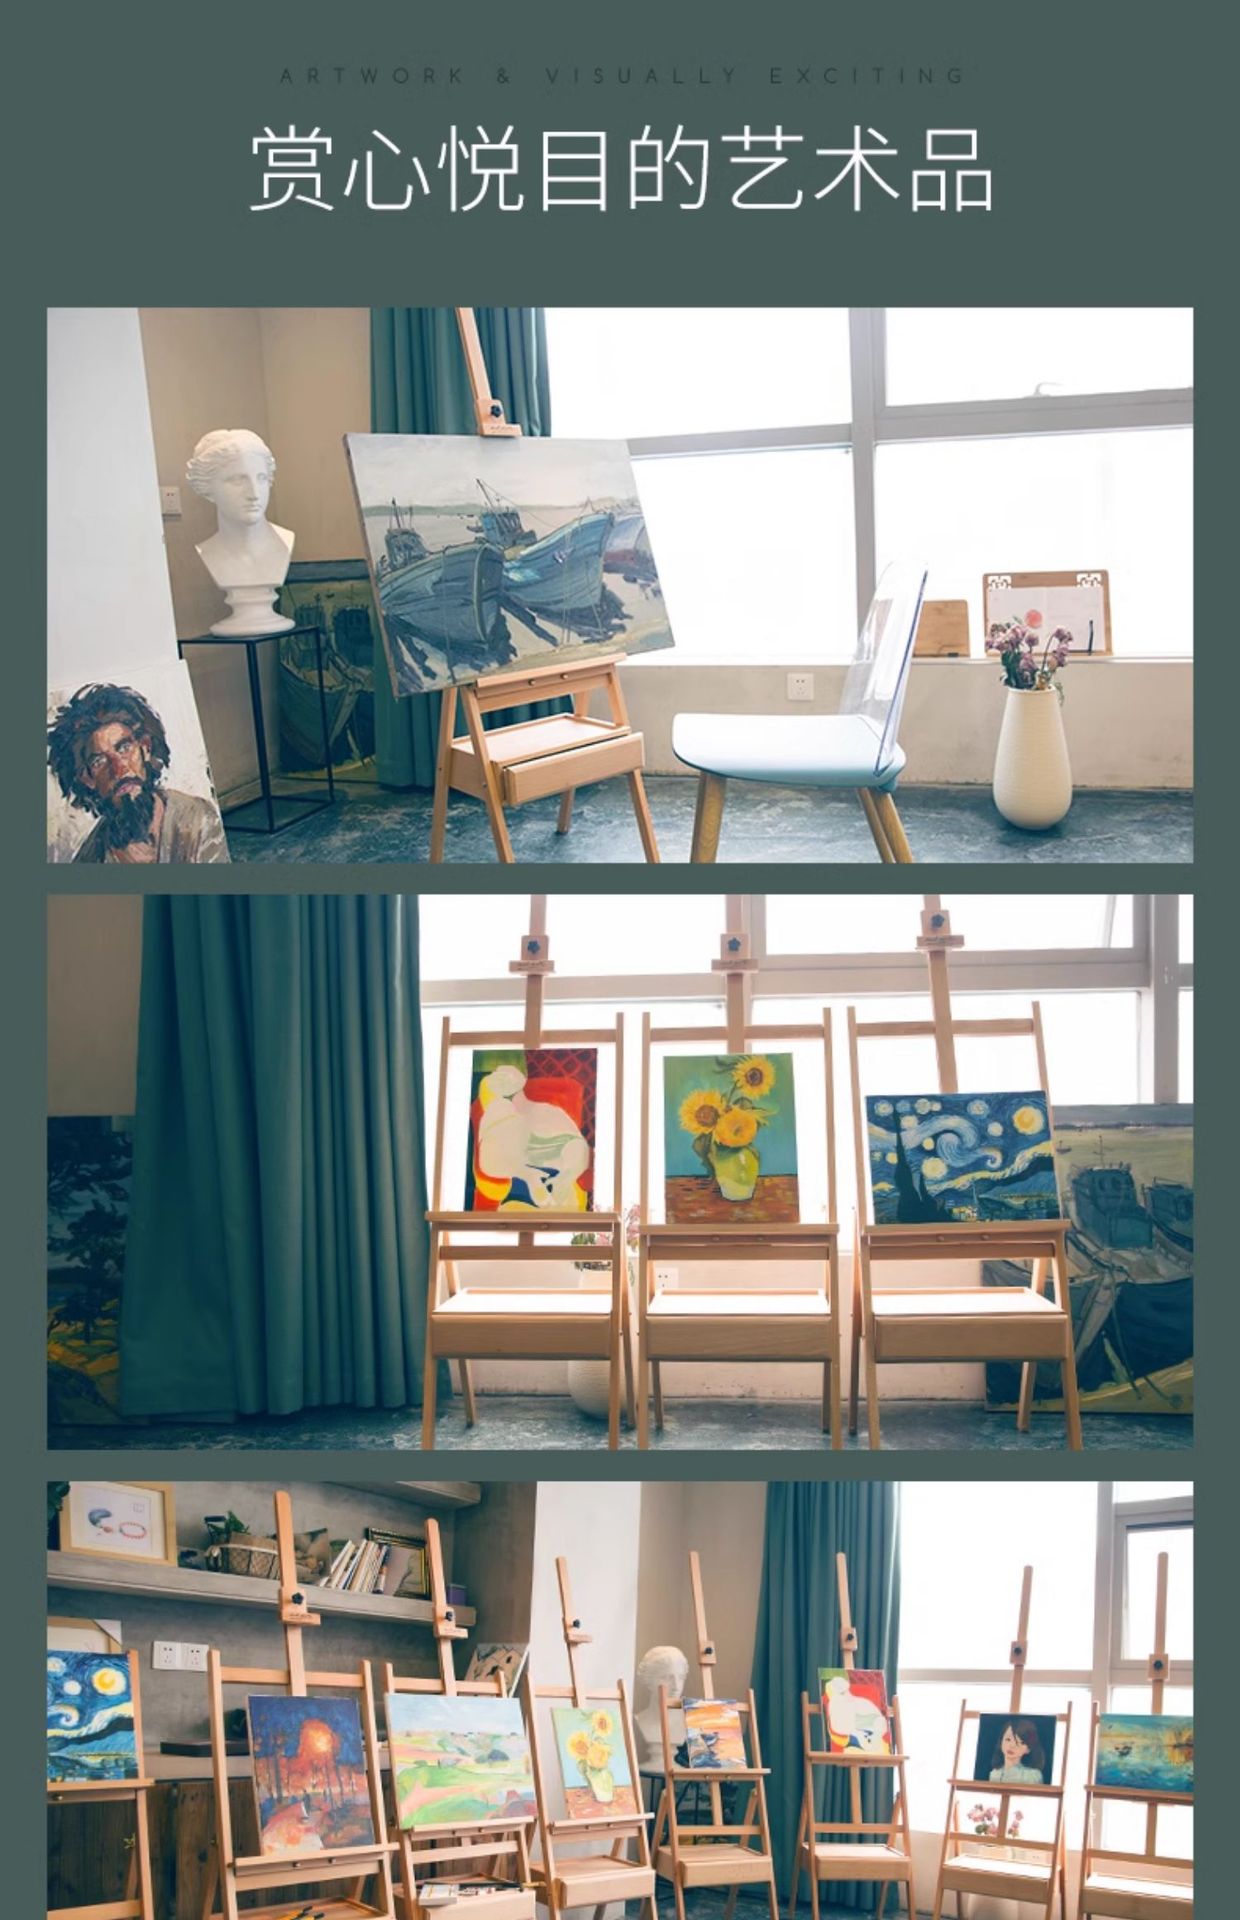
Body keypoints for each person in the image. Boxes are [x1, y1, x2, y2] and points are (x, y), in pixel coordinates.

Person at [47, 683, 228, 863]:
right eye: (99, 761)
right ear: (87, 779)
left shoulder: (198, 820)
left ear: (145, 748)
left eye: (124, 748)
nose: (120, 769)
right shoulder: (90, 859)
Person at [987, 1718, 1048, 1785]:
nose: (1012, 1745)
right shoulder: (994, 1774)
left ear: (1028, 1749)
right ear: (1001, 1742)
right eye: (1008, 1739)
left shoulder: (1033, 1776)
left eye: (1021, 1742)